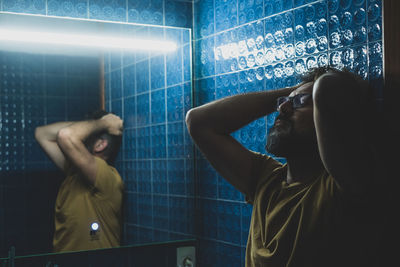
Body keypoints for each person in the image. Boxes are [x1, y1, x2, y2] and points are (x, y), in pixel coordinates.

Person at [186, 67, 385, 267]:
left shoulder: (343, 184)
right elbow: (198, 121)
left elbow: (328, 87)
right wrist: (293, 94)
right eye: (282, 103)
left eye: (300, 102)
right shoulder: (266, 179)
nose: (282, 109)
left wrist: (312, 90)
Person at [34, 110, 124, 253]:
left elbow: (66, 135)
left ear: (100, 145)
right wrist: (102, 124)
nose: (81, 137)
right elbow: (42, 134)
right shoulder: (74, 172)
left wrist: (106, 124)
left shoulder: (106, 176)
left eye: (86, 137)